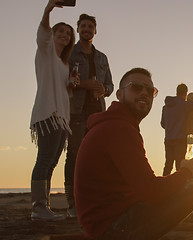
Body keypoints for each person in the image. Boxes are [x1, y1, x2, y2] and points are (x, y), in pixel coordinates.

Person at [74, 68, 193, 239]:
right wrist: (186, 172)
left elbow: (145, 187)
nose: (144, 93)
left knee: (173, 170)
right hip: (113, 229)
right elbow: (152, 191)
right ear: (119, 94)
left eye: (150, 90)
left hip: (109, 222)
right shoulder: (118, 129)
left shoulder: (116, 125)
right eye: (136, 87)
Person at [29, 0, 76, 221]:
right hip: (48, 114)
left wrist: (71, 86)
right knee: (44, 159)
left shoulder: (65, 64)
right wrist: (48, 10)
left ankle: (44, 207)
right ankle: (38, 207)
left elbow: (67, 93)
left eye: (68, 33)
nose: (64, 35)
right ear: (53, 34)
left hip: (61, 119)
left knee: (51, 162)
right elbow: (43, 32)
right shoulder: (46, 52)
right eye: (61, 31)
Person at [64, 13, 114, 218]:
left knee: (96, 156)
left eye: (90, 26)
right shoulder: (70, 54)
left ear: (95, 30)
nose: (87, 29)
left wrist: (103, 90)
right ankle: (72, 204)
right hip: (76, 111)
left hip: (97, 112)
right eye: (83, 26)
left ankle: (93, 200)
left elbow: (110, 85)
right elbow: (65, 81)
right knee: (74, 155)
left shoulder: (102, 57)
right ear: (77, 29)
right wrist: (85, 85)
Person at [161, 84, 193, 176]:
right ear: (186, 93)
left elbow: (163, 124)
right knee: (179, 166)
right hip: (180, 139)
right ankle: (179, 187)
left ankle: (162, 187)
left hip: (168, 139)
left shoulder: (166, 107)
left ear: (176, 92)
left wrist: (171, 128)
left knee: (168, 165)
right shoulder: (184, 104)